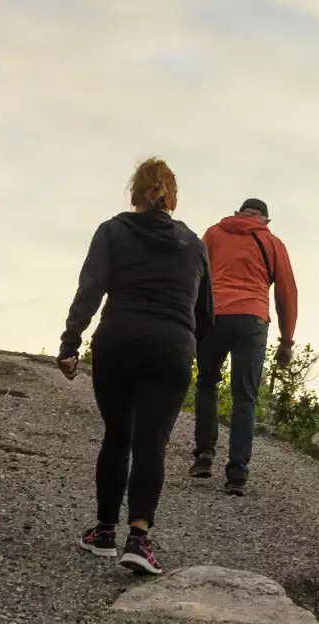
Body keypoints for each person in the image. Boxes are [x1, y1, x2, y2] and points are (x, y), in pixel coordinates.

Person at [57, 157, 213, 576]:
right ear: (172, 199)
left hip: (118, 342)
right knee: (152, 442)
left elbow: (90, 288)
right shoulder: (196, 245)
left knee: (117, 435)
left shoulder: (112, 230)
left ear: (135, 193)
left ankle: (104, 532)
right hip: (173, 347)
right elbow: (206, 316)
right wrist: (183, 350)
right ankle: (139, 540)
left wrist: (70, 342)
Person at [191, 197, 298, 495]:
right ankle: (237, 473)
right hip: (251, 320)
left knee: (206, 383)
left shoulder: (213, 233)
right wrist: (287, 340)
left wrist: (189, 318)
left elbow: (194, 275)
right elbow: (286, 294)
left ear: (238, 213)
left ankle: (204, 454)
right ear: (265, 219)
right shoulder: (272, 243)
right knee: (244, 396)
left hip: (214, 316)